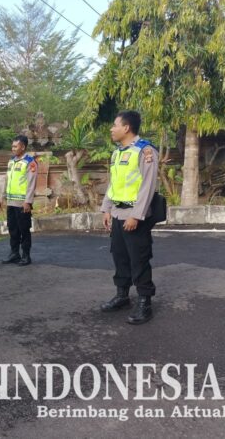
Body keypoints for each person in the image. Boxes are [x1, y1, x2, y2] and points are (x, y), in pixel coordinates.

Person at [100, 110, 159, 324]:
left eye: (115, 125)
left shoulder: (145, 150)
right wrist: (106, 208)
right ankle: (122, 295)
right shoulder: (117, 153)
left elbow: (147, 186)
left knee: (139, 258)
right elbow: (113, 184)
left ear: (126, 128)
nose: (111, 129)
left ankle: (145, 302)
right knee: (120, 256)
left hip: (135, 216)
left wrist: (136, 215)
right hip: (117, 213)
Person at [0, 135, 37, 266]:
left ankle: (26, 256)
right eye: (12, 146)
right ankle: (14, 253)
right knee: (12, 229)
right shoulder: (11, 161)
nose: (13, 148)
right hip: (11, 202)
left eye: (15, 146)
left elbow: (31, 183)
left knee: (24, 230)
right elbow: (6, 179)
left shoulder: (30, 162)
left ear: (23, 147)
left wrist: (28, 201)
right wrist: (2, 195)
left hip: (22, 203)